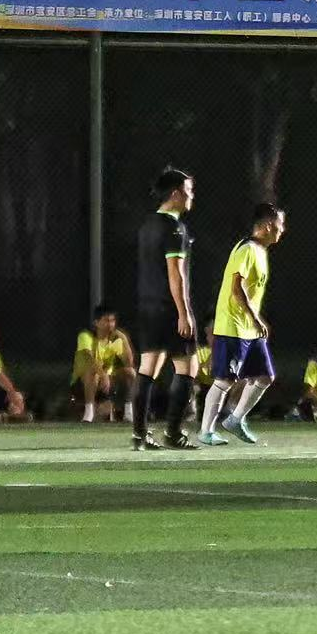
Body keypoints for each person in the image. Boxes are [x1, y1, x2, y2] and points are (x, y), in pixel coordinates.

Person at [201, 203, 287, 446]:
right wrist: (256, 318)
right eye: (280, 224)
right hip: (234, 326)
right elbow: (236, 289)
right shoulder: (247, 249)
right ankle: (206, 431)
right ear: (268, 225)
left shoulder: (261, 251)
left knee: (265, 376)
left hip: (249, 329)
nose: (282, 229)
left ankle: (235, 419)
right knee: (225, 380)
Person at [131, 167, 199, 450]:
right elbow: (176, 274)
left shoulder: (148, 225)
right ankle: (173, 432)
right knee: (189, 367)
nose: (191, 196)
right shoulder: (174, 228)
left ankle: (139, 435)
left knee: (148, 368)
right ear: (175, 194)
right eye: (188, 191)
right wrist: (184, 312)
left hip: (147, 305)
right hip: (168, 307)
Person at [71, 303, 133, 422]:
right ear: (96, 323)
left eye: (112, 321)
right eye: (106, 321)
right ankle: (88, 414)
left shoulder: (116, 339)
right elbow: (90, 360)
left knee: (130, 372)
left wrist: (124, 339)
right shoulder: (85, 336)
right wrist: (103, 375)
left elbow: (129, 363)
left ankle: (128, 412)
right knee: (92, 372)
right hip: (83, 383)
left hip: (106, 383)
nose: (110, 324)